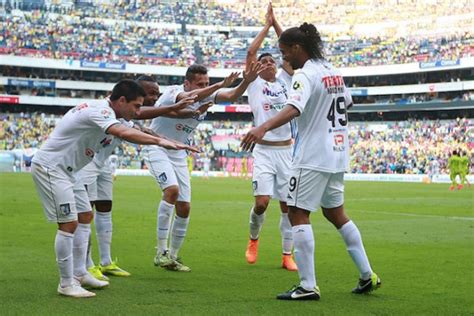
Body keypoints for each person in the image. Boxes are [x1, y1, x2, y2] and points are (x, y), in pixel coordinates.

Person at [241, 23, 380, 300]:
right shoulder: (332, 71)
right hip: (338, 153)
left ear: (297, 48)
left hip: (312, 155)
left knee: (296, 212)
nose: (283, 59)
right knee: (335, 213)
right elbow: (347, 104)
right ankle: (368, 275)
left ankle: (307, 285)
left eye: (284, 52)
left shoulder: (305, 75)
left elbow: (294, 108)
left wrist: (262, 127)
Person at [31, 79, 198, 298]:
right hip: (52, 168)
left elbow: (141, 129)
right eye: (136, 105)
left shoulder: (114, 114)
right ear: (121, 100)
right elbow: (126, 133)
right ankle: (66, 283)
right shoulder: (99, 111)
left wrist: (171, 142)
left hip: (70, 171)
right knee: (69, 223)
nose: (138, 111)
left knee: (85, 215)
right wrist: (160, 143)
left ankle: (80, 273)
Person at [144, 63, 264, 272]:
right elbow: (188, 101)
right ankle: (160, 252)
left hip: (180, 153)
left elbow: (232, 96)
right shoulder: (174, 92)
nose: (205, 87)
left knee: (185, 207)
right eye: (201, 84)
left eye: (207, 83)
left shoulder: (208, 96)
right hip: (158, 147)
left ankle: (173, 256)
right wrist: (218, 84)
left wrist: (246, 80)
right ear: (187, 83)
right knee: (171, 191)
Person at [80, 75, 197, 281]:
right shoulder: (107, 110)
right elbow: (131, 131)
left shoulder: (128, 113)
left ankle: (106, 262)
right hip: (85, 164)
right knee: (85, 215)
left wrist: (173, 142)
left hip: (103, 164)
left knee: (105, 209)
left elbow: (144, 128)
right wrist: (162, 136)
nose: (154, 98)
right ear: (133, 93)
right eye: (149, 94)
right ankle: (87, 265)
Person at [243, 3, 297, 272]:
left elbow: (289, 48)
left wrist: (276, 23)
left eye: (271, 61)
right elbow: (251, 51)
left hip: (286, 151)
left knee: (288, 206)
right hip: (263, 151)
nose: (266, 64)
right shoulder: (255, 84)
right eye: (262, 62)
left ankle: (287, 254)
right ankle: (253, 240)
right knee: (262, 203)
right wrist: (265, 26)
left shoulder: (287, 81)